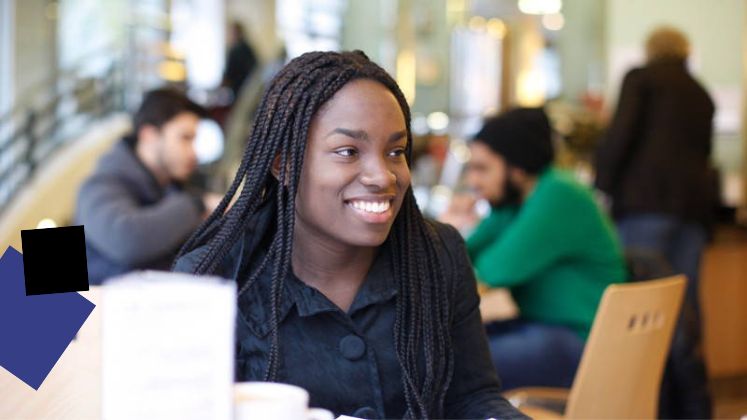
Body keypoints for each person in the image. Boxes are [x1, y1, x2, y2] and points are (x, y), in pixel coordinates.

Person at [173, 51, 524, 419]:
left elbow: (472, 397)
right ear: (283, 163)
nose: (383, 176)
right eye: (348, 151)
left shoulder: (438, 255)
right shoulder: (213, 279)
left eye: (395, 151)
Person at [594, 26, 714, 419]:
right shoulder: (700, 93)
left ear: (650, 49)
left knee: (641, 309)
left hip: (645, 205)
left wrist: (601, 186)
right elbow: (704, 155)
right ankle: (692, 407)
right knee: (685, 309)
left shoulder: (641, 79)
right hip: (692, 212)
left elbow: (619, 137)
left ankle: (646, 402)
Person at [464, 107, 627, 390]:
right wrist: (446, 234)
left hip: (584, 340)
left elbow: (493, 271)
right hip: (543, 327)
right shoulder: (514, 201)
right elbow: (463, 254)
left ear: (517, 168)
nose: (473, 182)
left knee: (456, 363)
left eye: (483, 169)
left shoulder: (557, 194)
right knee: (450, 350)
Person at [76, 88, 222, 285]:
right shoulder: (98, 186)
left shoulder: (169, 190)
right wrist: (198, 205)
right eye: (185, 138)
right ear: (149, 135)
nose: (194, 153)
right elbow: (127, 240)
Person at [222, 22, 258, 100]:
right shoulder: (248, 48)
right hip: (248, 88)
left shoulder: (236, 50)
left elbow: (229, 72)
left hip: (239, 87)